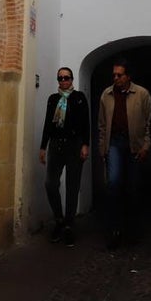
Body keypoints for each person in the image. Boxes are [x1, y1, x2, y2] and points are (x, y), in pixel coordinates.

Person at [97, 55, 151, 250]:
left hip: (134, 144)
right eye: (114, 75)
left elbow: (149, 122)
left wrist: (146, 146)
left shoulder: (142, 94)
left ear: (128, 76)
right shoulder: (106, 95)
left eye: (119, 75)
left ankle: (133, 229)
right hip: (114, 143)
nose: (116, 78)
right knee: (113, 184)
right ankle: (114, 229)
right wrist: (102, 147)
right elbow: (102, 124)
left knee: (133, 187)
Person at [39, 66, 89, 246]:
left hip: (74, 145)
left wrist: (85, 144)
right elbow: (48, 123)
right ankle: (59, 220)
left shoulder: (79, 98)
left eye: (66, 78)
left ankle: (69, 225)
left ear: (72, 79)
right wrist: (43, 147)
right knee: (50, 184)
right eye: (60, 78)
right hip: (56, 145)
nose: (63, 81)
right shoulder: (53, 99)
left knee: (72, 186)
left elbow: (86, 123)